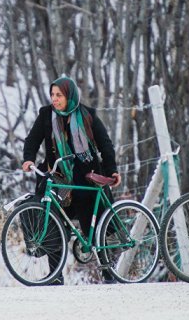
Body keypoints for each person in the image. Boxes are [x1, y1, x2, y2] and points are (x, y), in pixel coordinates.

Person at [22, 75, 121, 284]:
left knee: (95, 226)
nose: (54, 99)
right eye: (52, 95)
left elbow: (105, 145)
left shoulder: (88, 116)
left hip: (86, 180)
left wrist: (111, 170)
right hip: (58, 178)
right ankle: (55, 275)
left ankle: (108, 272)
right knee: (50, 221)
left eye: (59, 95)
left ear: (70, 96)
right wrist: (28, 159)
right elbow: (32, 139)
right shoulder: (46, 115)